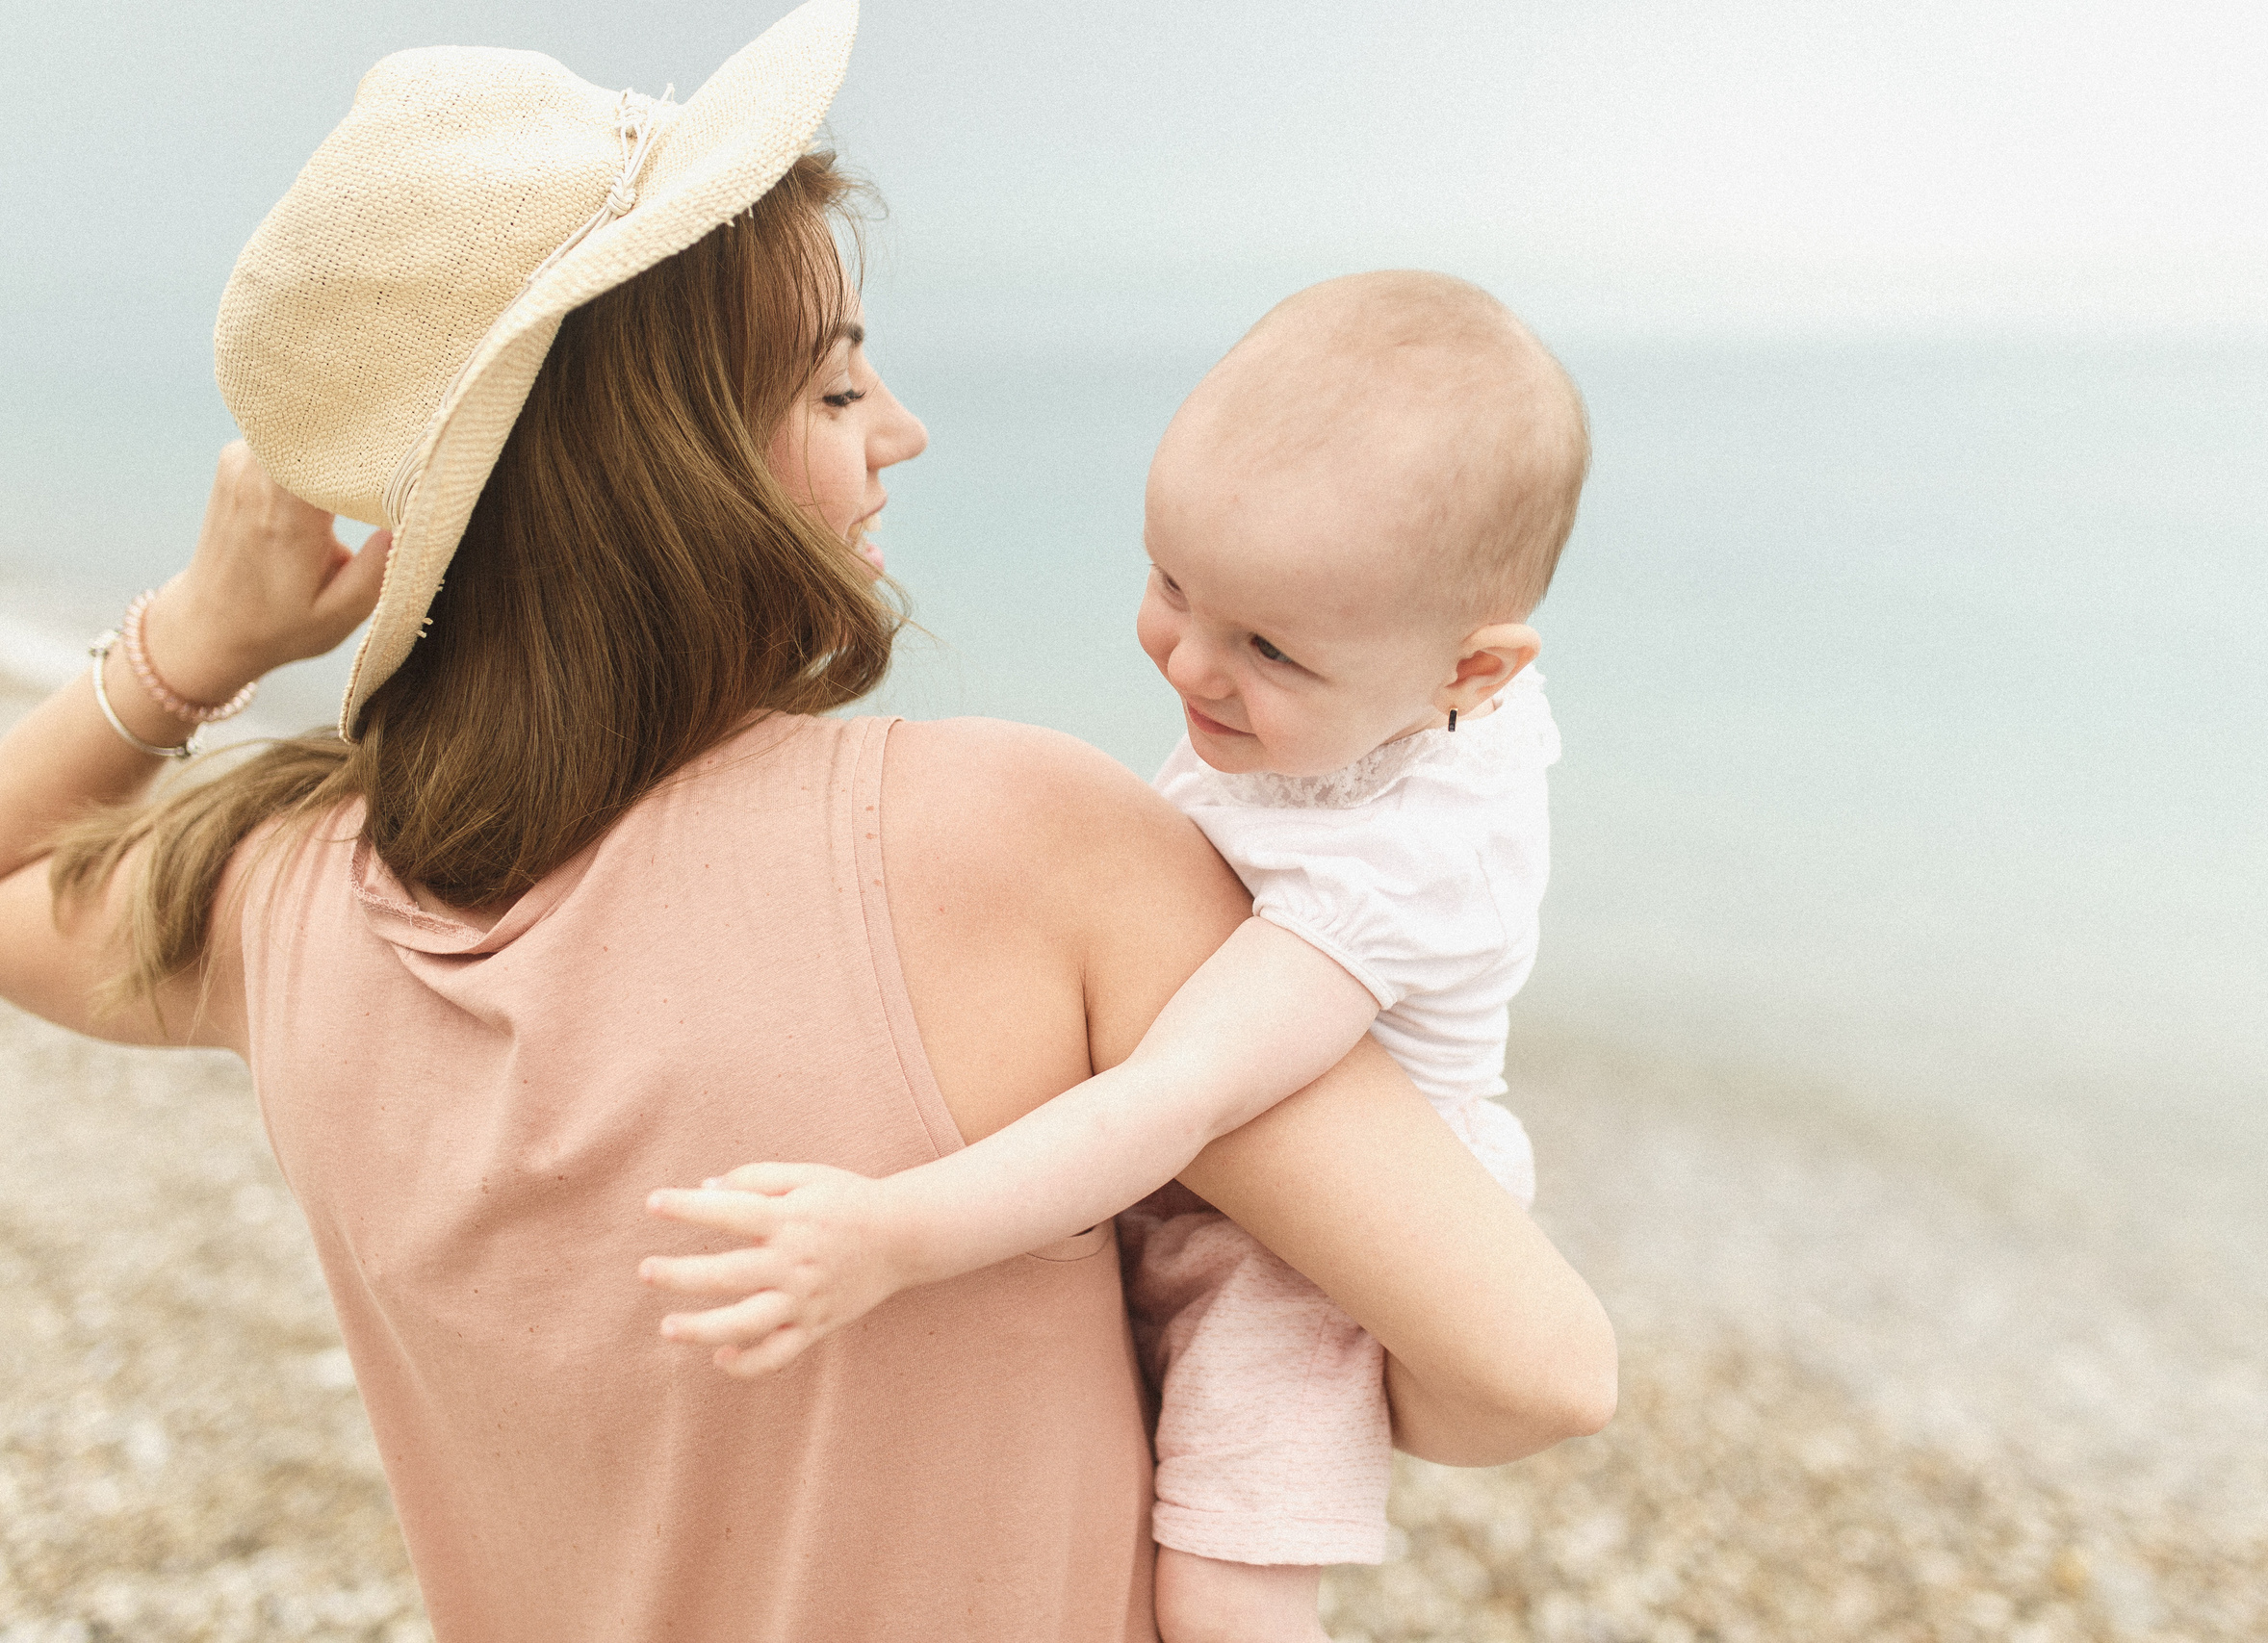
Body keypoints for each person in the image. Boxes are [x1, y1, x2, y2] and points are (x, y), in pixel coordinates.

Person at [0, 7, 1616, 1641]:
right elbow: (1536, 1369)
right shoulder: (1020, 843)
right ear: (677, 464)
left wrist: (196, 647)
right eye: (840, 384)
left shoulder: (285, 900)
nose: (900, 427)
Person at [645, 270, 1586, 1643]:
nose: (1190, 664)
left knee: (1219, 1591)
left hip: (1307, 1248)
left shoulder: (1398, 867)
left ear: (1475, 675)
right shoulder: (1391, 673)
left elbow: (1182, 1098)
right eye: (1171, 584)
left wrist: (892, 1233)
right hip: (1194, 1173)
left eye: (1267, 646)